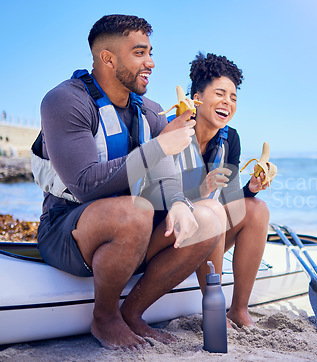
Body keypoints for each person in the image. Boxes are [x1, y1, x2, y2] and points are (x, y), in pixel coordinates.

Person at [32, 15, 225, 349]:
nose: (151, 62)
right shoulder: (65, 101)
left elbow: (161, 166)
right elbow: (84, 184)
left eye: (150, 52)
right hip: (66, 227)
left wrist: (178, 201)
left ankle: (132, 313)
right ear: (108, 58)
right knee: (135, 211)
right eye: (139, 53)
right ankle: (104, 318)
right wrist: (161, 144)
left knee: (209, 215)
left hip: (132, 225)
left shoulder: (148, 110)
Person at [173, 53, 270, 327]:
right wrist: (199, 191)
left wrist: (250, 190)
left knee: (256, 209)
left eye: (233, 97)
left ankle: (238, 309)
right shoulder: (174, 128)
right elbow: (153, 196)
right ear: (197, 97)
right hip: (169, 234)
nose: (228, 101)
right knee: (209, 208)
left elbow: (231, 199)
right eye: (220, 93)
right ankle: (213, 309)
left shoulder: (231, 139)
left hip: (207, 231)